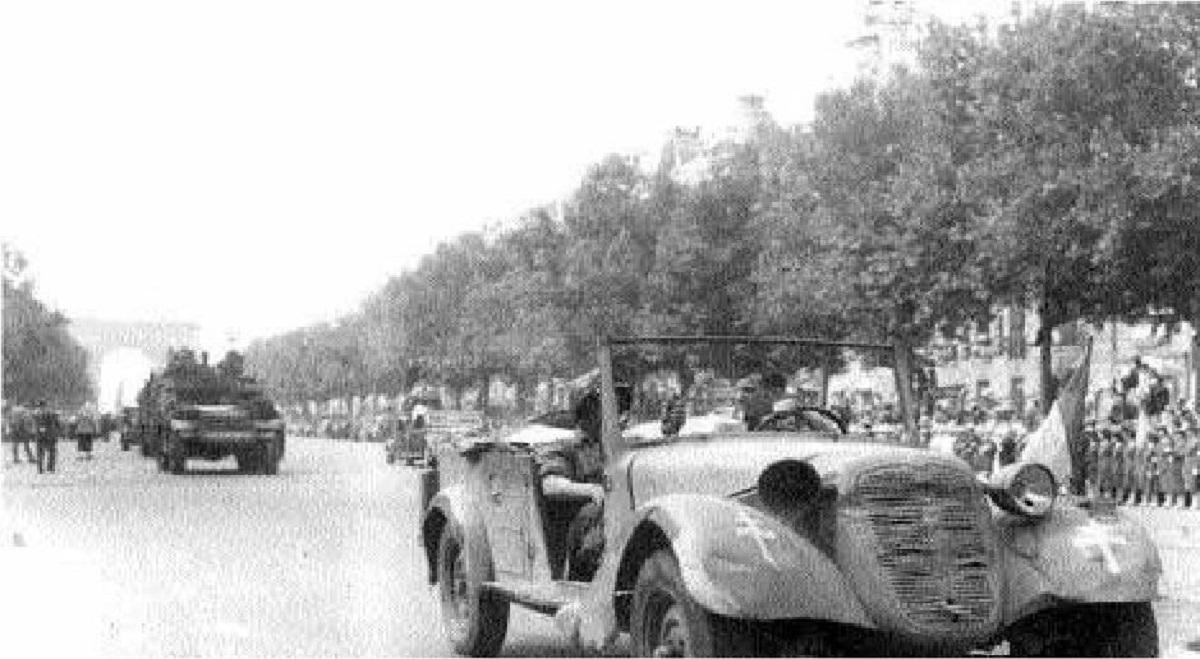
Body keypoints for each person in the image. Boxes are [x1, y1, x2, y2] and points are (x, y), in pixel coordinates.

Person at [32, 401, 62, 474]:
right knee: (41, 453)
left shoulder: (51, 414)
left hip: (49, 436)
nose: (42, 408)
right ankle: (41, 468)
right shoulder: (37, 415)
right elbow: (34, 425)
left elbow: (57, 424)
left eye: (43, 407)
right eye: (41, 407)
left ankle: (50, 468)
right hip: (41, 436)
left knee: (51, 452)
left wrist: (57, 433)